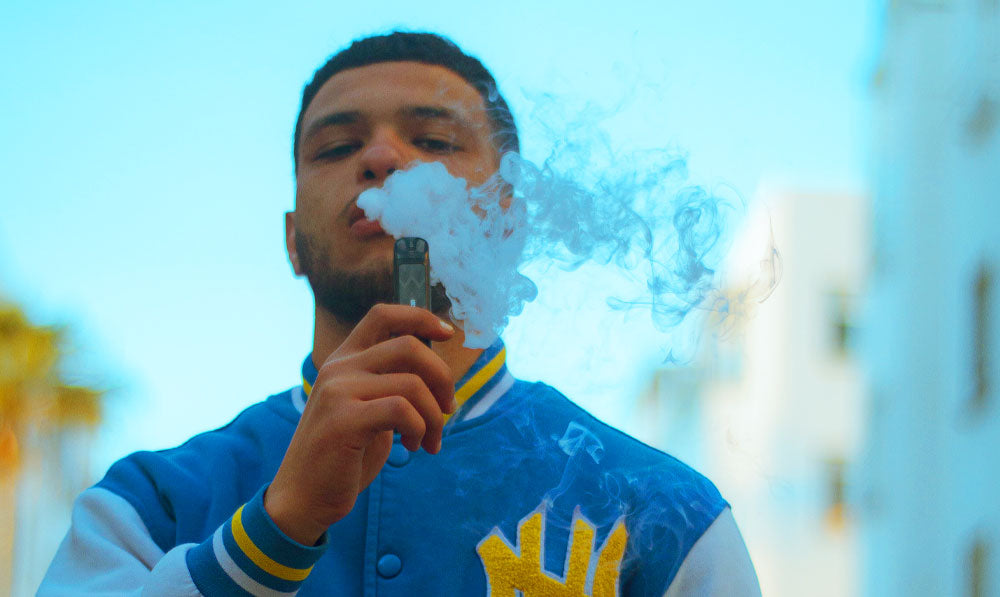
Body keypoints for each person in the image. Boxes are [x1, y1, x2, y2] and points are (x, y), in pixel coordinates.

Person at [39, 32, 761, 596]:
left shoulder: (665, 514)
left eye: (434, 139)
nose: (383, 156)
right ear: (292, 239)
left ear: (509, 222)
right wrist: (274, 528)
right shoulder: (148, 505)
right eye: (339, 146)